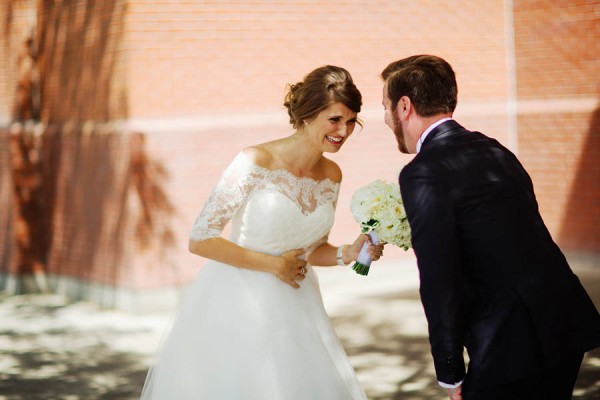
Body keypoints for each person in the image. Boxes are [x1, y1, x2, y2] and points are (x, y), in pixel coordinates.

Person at [140, 65, 383, 400]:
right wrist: (274, 266)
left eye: (351, 120)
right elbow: (201, 238)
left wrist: (348, 253)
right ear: (308, 115)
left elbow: (312, 249)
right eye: (335, 119)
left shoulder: (332, 174)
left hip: (299, 306)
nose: (344, 130)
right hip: (239, 302)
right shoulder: (254, 160)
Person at [380, 54, 600, 400]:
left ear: (404, 106)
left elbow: (440, 278)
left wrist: (449, 372)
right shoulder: (495, 150)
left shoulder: (423, 172)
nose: (385, 118)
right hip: (562, 326)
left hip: (507, 347)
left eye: (386, 107)